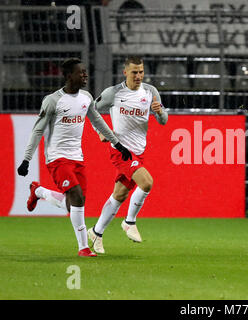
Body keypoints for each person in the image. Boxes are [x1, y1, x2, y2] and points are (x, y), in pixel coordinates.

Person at [16, 58, 132, 257]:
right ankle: (83, 248)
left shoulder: (86, 97)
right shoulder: (53, 101)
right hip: (57, 158)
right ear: (69, 76)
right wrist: (26, 159)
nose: (85, 75)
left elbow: (98, 121)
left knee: (74, 204)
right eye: (81, 73)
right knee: (77, 196)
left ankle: (39, 191)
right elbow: (37, 131)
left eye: (86, 72)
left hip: (77, 157)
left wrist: (117, 144)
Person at [87, 56, 168, 254]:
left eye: (141, 71)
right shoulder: (113, 93)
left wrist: (159, 113)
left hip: (139, 151)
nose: (138, 75)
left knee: (120, 194)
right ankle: (129, 222)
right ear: (125, 72)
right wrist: (100, 132)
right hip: (121, 150)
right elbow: (91, 110)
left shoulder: (150, 92)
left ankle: (96, 233)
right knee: (147, 182)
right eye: (134, 72)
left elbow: (164, 120)